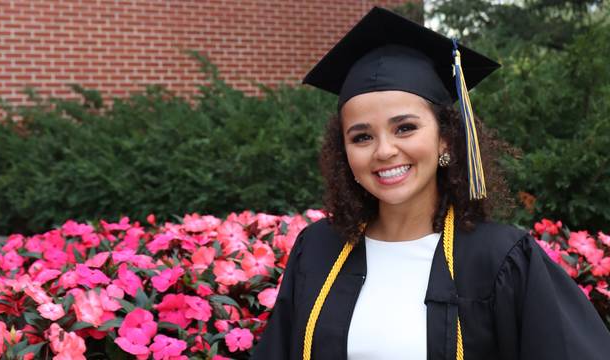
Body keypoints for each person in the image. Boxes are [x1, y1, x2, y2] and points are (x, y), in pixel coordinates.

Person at [251, 7, 610, 360]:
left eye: (405, 128)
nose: (384, 151)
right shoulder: (317, 250)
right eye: (361, 137)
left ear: (445, 139)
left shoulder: (499, 259)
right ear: (344, 152)